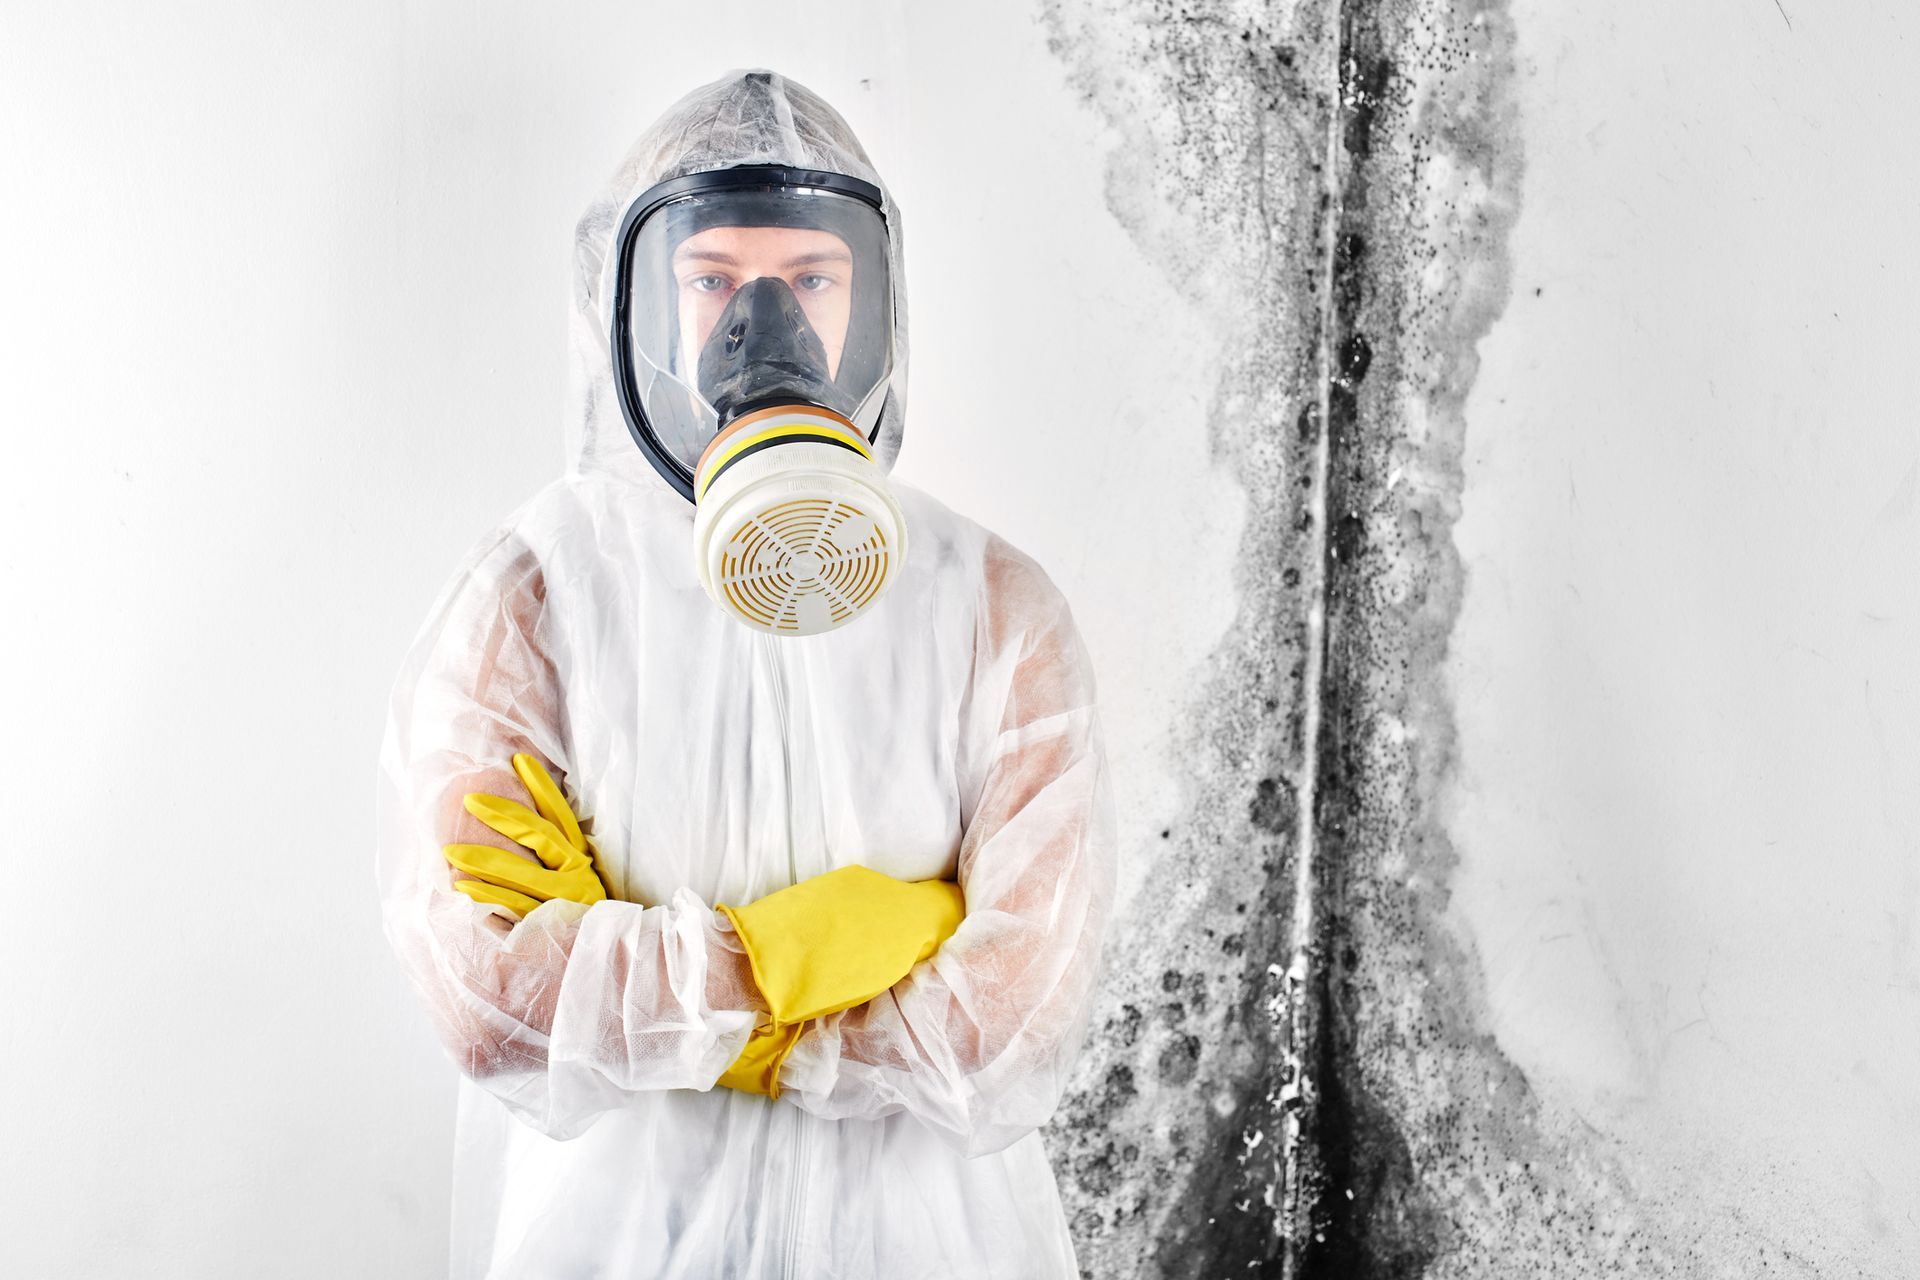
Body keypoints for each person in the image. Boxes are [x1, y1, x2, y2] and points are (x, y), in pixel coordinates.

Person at [376, 67, 1118, 1278]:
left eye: (811, 279)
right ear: (631, 305)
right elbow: (489, 1001)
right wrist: (786, 958)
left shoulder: (993, 606)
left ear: (873, 303)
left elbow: (1014, 1026)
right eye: (711, 279)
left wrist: (638, 986)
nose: (761, 330)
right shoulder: (535, 596)